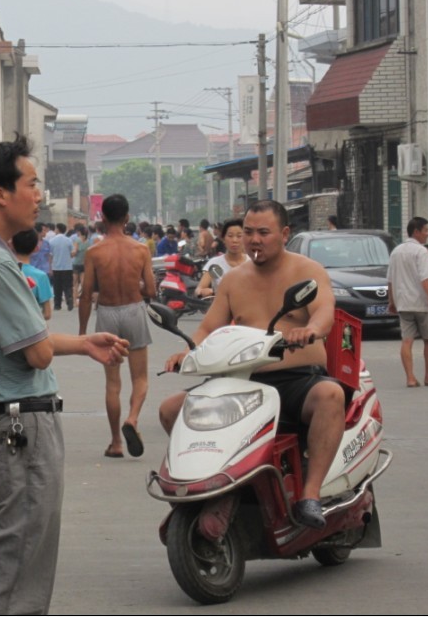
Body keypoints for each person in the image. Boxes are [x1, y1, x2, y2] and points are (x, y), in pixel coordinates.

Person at [0, 135, 129, 615]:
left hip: (10, 425)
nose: (38, 194)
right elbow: (37, 354)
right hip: (20, 428)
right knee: (18, 553)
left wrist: (84, 342)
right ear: (1, 194)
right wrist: (65, 346)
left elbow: (28, 344)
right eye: (31, 183)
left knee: (18, 549)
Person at [159, 200, 345, 530]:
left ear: (284, 233)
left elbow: (323, 312)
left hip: (296, 379)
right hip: (242, 381)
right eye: (248, 233)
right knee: (173, 409)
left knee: (331, 396)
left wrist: (311, 330)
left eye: (263, 232)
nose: (254, 240)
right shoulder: (232, 280)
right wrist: (187, 351)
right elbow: (208, 327)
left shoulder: (308, 271)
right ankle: (212, 485)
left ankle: (310, 495)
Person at [79, 194, 157, 459]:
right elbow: (152, 290)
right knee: (140, 378)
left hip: (108, 314)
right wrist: (136, 285)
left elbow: (86, 293)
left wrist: (82, 333)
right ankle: (132, 419)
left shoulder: (94, 252)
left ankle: (115, 443)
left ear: (101, 217)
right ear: (127, 218)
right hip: (134, 310)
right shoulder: (141, 250)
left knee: (113, 384)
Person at [387, 217, 428, 387]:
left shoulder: (396, 251)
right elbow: (425, 277)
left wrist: (392, 301)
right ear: (416, 232)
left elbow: (390, 280)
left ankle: (410, 378)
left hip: (403, 302)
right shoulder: (421, 252)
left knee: (407, 340)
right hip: (422, 303)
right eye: (425, 230)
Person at [195, 218, 249, 297]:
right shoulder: (216, 264)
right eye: (230, 236)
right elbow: (199, 289)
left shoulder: (252, 263)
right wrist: (203, 291)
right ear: (223, 239)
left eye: (239, 236)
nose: (234, 240)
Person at [13, 228, 54, 320]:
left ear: (11, 245)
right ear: (36, 248)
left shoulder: (4, 271)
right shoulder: (41, 276)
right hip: (34, 329)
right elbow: (47, 314)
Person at [49, 222, 74, 311]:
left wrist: (50, 267)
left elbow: (50, 255)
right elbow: (72, 253)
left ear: (58, 229)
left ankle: (57, 304)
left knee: (57, 286)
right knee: (68, 285)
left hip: (56, 267)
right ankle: (69, 298)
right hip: (67, 267)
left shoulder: (52, 241)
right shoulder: (69, 240)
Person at [71, 225, 91, 306]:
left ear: (79, 232)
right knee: (83, 283)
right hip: (84, 264)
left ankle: (75, 301)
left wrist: (71, 254)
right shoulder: (88, 242)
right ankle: (84, 300)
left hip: (76, 264)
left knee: (75, 284)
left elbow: (74, 252)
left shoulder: (77, 240)